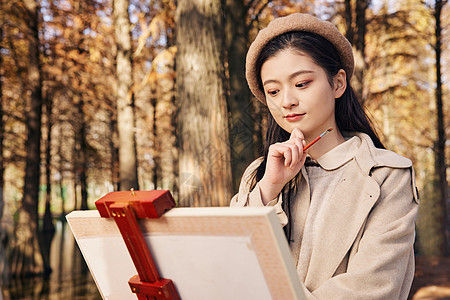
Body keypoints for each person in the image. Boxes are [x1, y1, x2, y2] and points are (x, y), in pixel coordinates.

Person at [230, 13, 419, 299]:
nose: (286, 101)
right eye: (273, 90)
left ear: (338, 83)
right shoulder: (260, 174)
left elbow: (374, 288)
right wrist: (268, 190)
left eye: (302, 83)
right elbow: (229, 267)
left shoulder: (387, 176)